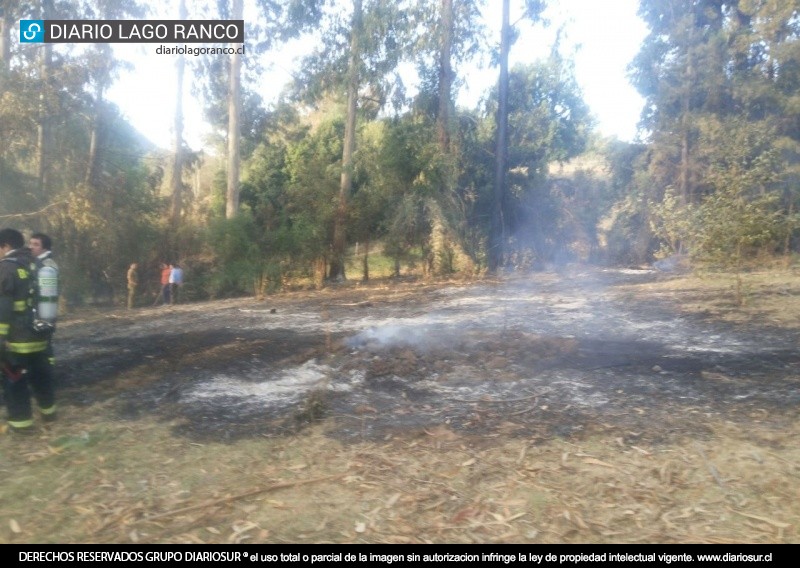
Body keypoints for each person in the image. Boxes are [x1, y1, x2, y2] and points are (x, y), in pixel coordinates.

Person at [1, 228, 56, 434]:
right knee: (41, 377)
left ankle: (21, 426)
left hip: (16, 340)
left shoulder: (6, 268)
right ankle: (49, 414)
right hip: (39, 335)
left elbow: (3, 308)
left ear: (5, 246)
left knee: (14, 381)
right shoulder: (37, 263)